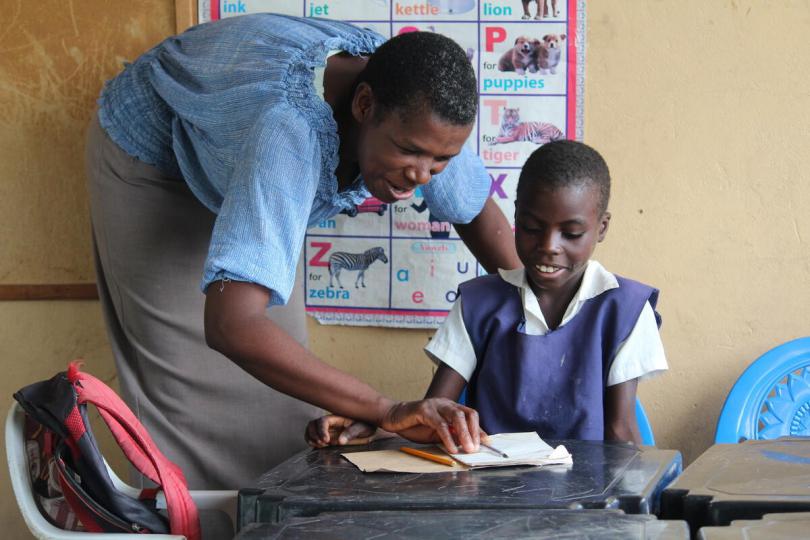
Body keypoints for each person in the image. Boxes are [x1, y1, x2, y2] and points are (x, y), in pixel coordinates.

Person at [85, 13, 521, 489]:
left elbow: (475, 212)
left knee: (285, 410)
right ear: (363, 104)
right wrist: (386, 409)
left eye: (440, 161)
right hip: (158, 158)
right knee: (187, 399)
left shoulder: (419, 107)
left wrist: (540, 301)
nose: (422, 176)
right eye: (409, 153)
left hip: (246, 145)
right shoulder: (287, 134)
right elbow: (231, 326)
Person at [307, 140, 668, 447]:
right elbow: (434, 412)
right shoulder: (479, 304)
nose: (548, 247)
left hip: (585, 501)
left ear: (601, 228)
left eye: (571, 234)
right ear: (516, 216)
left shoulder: (626, 310)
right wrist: (374, 424)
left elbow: (619, 431)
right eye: (530, 227)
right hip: (491, 492)